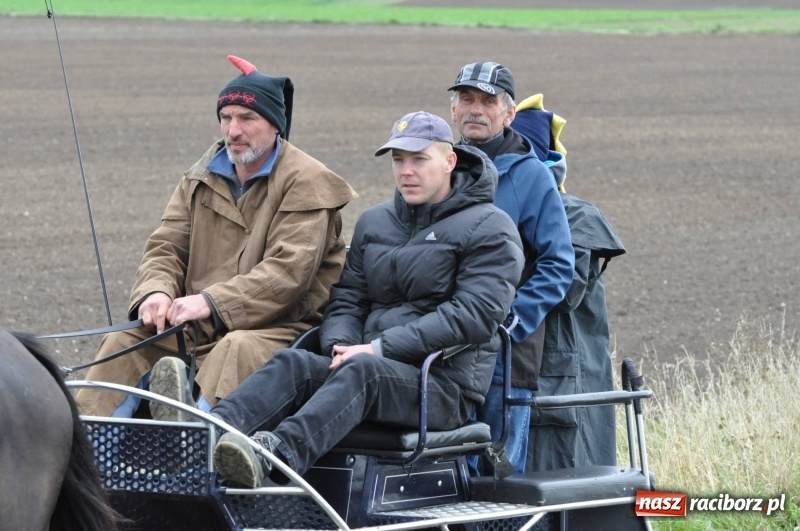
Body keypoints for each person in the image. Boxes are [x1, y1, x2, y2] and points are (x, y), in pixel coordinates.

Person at [191, 110, 525, 487]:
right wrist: (341, 346)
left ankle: (274, 456)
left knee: (363, 371)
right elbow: (348, 299)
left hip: (441, 385)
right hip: (364, 366)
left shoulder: (491, 227)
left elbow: (472, 316)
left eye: (418, 160)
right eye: (398, 160)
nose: (406, 171)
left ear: (449, 161)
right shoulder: (375, 222)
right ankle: (201, 440)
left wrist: (376, 350)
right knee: (293, 362)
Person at [75, 55, 358, 419]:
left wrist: (210, 302)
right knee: (123, 343)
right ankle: (94, 446)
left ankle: (193, 440)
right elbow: (166, 246)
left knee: (236, 349)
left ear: (275, 125)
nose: (233, 131)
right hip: (197, 325)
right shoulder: (199, 176)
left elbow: (287, 274)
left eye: (247, 118)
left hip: (278, 327)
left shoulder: (309, 182)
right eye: (226, 117)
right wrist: (156, 292)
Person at [448, 62, 575, 476]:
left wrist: (509, 325)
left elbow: (558, 263)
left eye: (488, 101)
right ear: (453, 109)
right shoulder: (438, 168)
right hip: (441, 352)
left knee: (499, 485)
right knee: (443, 480)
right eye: (467, 99)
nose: (475, 109)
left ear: (509, 114)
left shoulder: (530, 176)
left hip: (504, 360)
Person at [512, 95, 627, 471]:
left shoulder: (575, 216)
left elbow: (563, 291)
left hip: (566, 376)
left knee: (571, 476)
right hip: (523, 372)